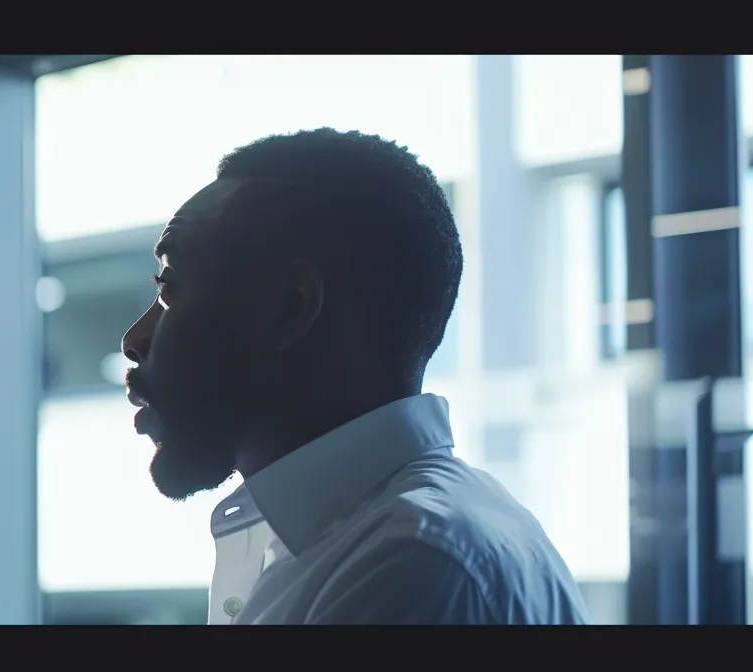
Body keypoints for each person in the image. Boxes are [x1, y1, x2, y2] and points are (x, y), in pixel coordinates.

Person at [122, 128, 588, 625]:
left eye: (169, 289)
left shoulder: (412, 564)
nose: (134, 339)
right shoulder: (377, 538)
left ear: (289, 309)